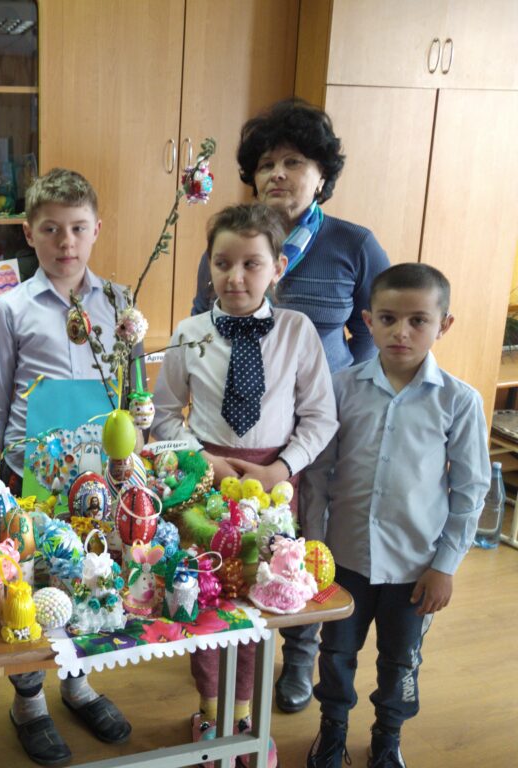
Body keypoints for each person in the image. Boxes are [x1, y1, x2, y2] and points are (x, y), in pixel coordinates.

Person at [190, 98, 391, 713]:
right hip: (238, 437)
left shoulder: (353, 244)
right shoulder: (229, 247)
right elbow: (203, 333)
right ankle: (224, 666)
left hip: (321, 429)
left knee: (306, 544)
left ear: (322, 173)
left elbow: (381, 329)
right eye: (266, 163)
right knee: (238, 546)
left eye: (294, 161)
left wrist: (341, 387)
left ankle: (298, 654)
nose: (278, 173)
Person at [153, 203, 338, 767]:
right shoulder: (188, 334)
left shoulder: (297, 332)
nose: (235, 277)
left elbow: (320, 416)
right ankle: (211, 713)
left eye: (251, 264)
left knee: (262, 600)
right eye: (222, 263)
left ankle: (245, 720)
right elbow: (163, 416)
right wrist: (202, 458)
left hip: (273, 488)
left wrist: (280, 469)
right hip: (205, 484)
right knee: (206, 601)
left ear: (278, 267)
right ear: (209, 265)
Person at [301, 263, 490, 768]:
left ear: (443, 325)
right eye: (387, 318)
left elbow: (470, 489)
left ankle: (388, 736)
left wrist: (445, 565)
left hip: (415, 568)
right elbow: (318, 473)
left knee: (401, 660)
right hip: (343, 560)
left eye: (418, 321)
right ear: (368, 320)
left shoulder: (459, 401)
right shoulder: (341, 387)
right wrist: (313, 547)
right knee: (335, 652)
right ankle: (332, 731)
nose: (401, 332)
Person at [0, 168, 134, 766]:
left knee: (91, 579)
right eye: (50, 229)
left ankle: (78, 685)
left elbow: (130, 390)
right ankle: (28, 702)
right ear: (29, 233)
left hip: (98, 478)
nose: (65, 241)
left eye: (77, 228)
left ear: (97, 229)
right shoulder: (12, 308)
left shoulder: (119, 302)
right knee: (33, 586)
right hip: (31, 477)